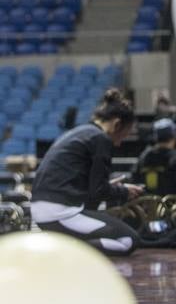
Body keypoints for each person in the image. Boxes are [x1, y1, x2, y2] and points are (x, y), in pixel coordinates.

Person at [31, 89, 144, 255]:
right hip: (61, 213)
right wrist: (124, 191)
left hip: (43, 210)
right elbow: (99, 192)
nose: (119, 144)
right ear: (116, 124)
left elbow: (89, 187)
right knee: (128, 240)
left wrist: (109, 186)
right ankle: (67, 252)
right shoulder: (101, 139)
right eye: (122, 136)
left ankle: (66, 247)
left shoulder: (81, 132)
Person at [132, 117, 176, 202]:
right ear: (173, 137)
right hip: (169, 208)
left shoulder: (143, 157)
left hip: (146, 209)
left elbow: (134, 181)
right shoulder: (175, 158)